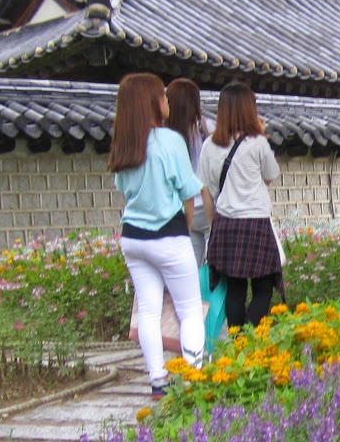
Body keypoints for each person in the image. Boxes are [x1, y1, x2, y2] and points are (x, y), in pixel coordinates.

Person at [108, 72, 206, 399]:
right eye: (162, 96)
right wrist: (186, 227)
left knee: (148, 310)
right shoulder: (170, 141)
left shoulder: (124, 143)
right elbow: (189, 193)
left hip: (133, 239)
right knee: (189, 310)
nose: (167, 101)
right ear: (151, 102)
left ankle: (158, 380)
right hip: (169, 236)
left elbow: (124, 191)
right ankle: (193, 379)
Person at [199, 82, 284, 330]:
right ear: (249, 109)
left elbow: (207, 189)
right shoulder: (257, 143)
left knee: (235, 289)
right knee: (263, 288)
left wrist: (213, 225)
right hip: (256, 223)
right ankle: (250, 336)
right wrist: (262, 133)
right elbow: (269, 176)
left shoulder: (209, 145)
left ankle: (238, 341)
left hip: (225, 223)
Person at [165, 78, 211, 265]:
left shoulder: (164, 133)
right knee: (211, 271)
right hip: (208, 204)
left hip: (181, 208)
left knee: (189, 268)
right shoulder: (206, 127)